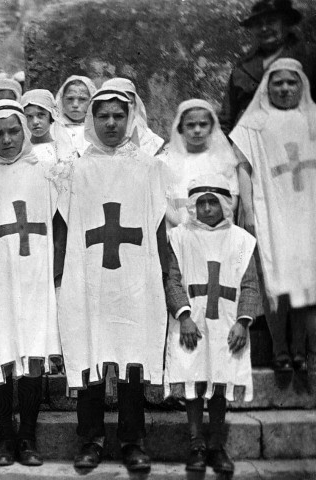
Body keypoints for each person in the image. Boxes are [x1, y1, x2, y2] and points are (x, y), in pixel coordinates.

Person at [54, 88, 169, 473]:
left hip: (134, 275)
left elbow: (157, 227)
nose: (111, 123)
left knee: (131, 353)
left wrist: (160, 276)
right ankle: (90, 439)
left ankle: (132, 441)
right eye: (102, 115)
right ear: (91, 119)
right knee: (90, 351)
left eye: (119, 115)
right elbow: (63, 225)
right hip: (89, 275)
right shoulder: (76, 168)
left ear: (131, 118)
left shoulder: (148, 167)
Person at [0, 100, 62, 467]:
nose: (6, 139)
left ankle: (28, 437)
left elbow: (60, 228)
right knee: (0, 355)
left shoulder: (46, 173)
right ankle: (5, 437)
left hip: (36, 279)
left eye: (13, 131)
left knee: (33, 354)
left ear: (25, 131)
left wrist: (57, 279)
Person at [164, 174, 259, 474]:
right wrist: (184, 316)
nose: (206, 208)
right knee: (194, 381)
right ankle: (196, 444)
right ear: (192, 205)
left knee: (219, 382)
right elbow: (173, 280)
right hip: (192, 322)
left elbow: (250, 285)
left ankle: (216, 445)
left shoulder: (241, 240)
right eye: (200, 202)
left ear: (224, 205)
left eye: (212, 202)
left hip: (228, 325)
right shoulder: (179, 236)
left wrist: (243, 323)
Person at [231, 58, 316, 372]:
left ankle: (302, 351)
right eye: (277, 82)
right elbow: (243, 167)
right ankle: (279, 349)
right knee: (275, 280)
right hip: (272, 212)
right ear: (267, 86)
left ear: (301, 85)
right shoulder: (254, 123)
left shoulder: (313, 119)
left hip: (308, 212)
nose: (284, 88)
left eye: (290, 82)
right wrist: (249, 211)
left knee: (308, 281)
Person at [219, 0, 316, 135]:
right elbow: (227, 117)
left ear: (286, 23)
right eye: (258, 24)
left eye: (271, 22)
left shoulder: (308, 57)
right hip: (248, 144)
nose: (264, 28)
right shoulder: (243, 66)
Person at [163, 99, 239, 229]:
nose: (197, 130)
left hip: (218, 230)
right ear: (180, 128)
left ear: (211, 127)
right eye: (190, 125)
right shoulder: (166, 161)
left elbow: (232, 197)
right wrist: (183, 225)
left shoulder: (223, 160)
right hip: (179, 231)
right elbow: (162, 202)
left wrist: (211, 223)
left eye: (203, 124)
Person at [102, 77, 165, 156]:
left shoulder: (151, 142)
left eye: (129, 102)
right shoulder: (86, 140)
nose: (124, 108)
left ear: (135, 105)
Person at [22, 88, 75, 164]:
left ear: (51, 116)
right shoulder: (22, 151)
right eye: (29, 116)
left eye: (41, 115)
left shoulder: (63, 150)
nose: (35, 122)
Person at [53, 75, 97, 155]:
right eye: (70, 99)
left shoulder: (97, 129)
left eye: (82, 99)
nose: (75, 104)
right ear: (61, 100)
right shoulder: (52, 130)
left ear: (91, 101)